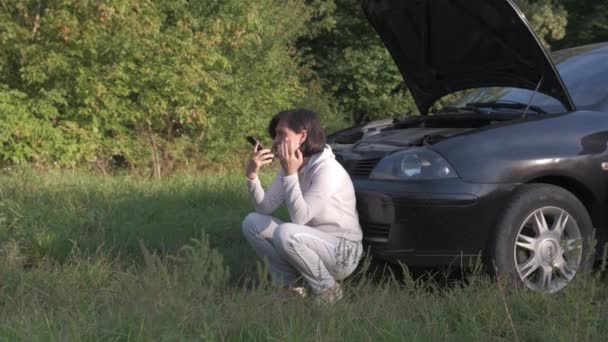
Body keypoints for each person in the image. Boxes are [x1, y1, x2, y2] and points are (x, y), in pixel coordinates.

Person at [242, 108, 363, 304]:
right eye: (275, 135)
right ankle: (291, 287)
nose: (275, 141)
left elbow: (300, 218)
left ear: (302, 136)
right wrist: (252, 176)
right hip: (308, 241)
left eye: (282, 134)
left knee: (286, 232)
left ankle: (328, 290)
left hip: (342, 252)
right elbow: (265, 208)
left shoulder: (328, 170)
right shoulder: (293, 165)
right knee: (252, 222)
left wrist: (290, 174)